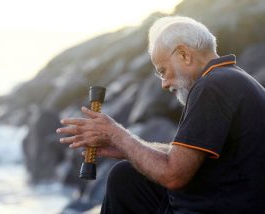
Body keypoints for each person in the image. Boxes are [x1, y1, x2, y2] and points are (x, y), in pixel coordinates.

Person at [56, 16, 265, 213]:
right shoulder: (232, 78)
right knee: (129, 176)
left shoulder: (212, 86)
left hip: (223, 207)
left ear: (184, 54)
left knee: (124, 179)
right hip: (229, 200)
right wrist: (125, 147)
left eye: (163, 71)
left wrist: (116, 134)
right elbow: (186, 157)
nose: (164, 84)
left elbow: (174, 175)